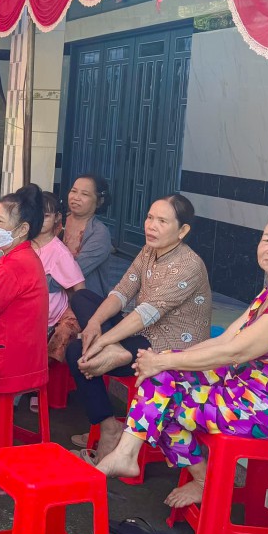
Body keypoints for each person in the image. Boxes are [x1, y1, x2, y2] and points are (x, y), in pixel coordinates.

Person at [96, 212, 268, 509]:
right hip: (246, 386)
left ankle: (196, 476)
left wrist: (163, 363)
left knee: (161, 401)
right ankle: (128, 454)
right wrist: (164, 360)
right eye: (267, 239)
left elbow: (236, 352)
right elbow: (224, 340)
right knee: (161, 378)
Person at [65, 194, 211, 461]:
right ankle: (110, 421)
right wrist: (95, 324)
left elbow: (146, 313)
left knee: (78, 353)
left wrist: (102, 340)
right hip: (141, 333)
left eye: (162, 221)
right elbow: (123, 291)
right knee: (82, 298)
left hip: (169, 346)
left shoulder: (189, 265)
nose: (151, 226)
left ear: (182, 231)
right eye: (150, 217)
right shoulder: (149, 250)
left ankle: (109, 422)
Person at [0, 185, 49, 396]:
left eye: (0, 221)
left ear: (22, 230)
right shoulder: (24, 257)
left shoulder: (12, 266)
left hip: (5, 363)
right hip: (24, 358)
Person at [34, 191, 86, 361]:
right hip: (28, 314)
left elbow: (79, 287)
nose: (40, 220)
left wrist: (81, 316)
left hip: (50, 319)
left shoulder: (59, 252)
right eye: (36, 214)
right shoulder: (24, 243)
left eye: (46, 216)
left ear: (57, 217)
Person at [62, 174, 114, 297]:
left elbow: (75, 272)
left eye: (84, 194)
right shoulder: (57, 221)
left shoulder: (99, 233)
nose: (76, 197)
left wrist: (38, 283)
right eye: (74, 191)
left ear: (99, 201)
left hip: (81, 301)